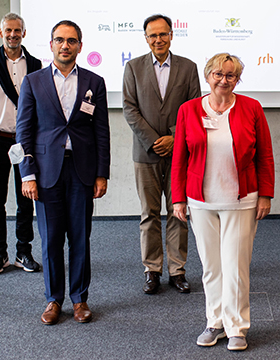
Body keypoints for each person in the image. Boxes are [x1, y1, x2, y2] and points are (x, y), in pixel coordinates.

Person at [172, 53, 274, 351]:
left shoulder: (252, 108)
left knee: (236, 266)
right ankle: (214, 322)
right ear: (208, 76)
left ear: (237, 79)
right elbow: (179, 157)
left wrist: (266, 194)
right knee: (211, 267)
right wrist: (178, 198)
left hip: (241, 199)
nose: (224, 80)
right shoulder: (189, 110)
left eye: (231, 75)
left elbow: (264, 155)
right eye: (218, 74)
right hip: (201, 201)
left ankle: (237, 327)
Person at [16, 20, 110, 325]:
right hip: (45, 173)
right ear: (51, 44)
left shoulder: (94, 83)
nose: (65, 45)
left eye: (71, 41)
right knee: (51, 238)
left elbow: (101, 132)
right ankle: (53, 299)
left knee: (80, 238)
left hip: (82, 171)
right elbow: (24, 132)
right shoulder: (33, 82)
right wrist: (27, 174)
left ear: (80, 46)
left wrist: (101, 174)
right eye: (60, 40)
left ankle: (80, 299)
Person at [123, 14, 201, 294]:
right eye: (153, 35)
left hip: (180, 153)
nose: (158, 39)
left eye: (163, 34)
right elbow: (129, 109)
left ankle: (177, 270)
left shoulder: (188, 67)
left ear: (171, 35)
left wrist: (174, 137)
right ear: (146, 38)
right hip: (145, 153)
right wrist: (156, 140)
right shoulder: (132, 67)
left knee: (179, 212)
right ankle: (152, 270)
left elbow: (194, 108)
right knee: (149, 214)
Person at [0, 13, 43, 274]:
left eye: (18, 30)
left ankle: (23, 252)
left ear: (24, 33)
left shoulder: (36, 65)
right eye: (8, 30)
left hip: (26, 142)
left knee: (26, 198)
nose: (13, 34)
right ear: (0, 33)